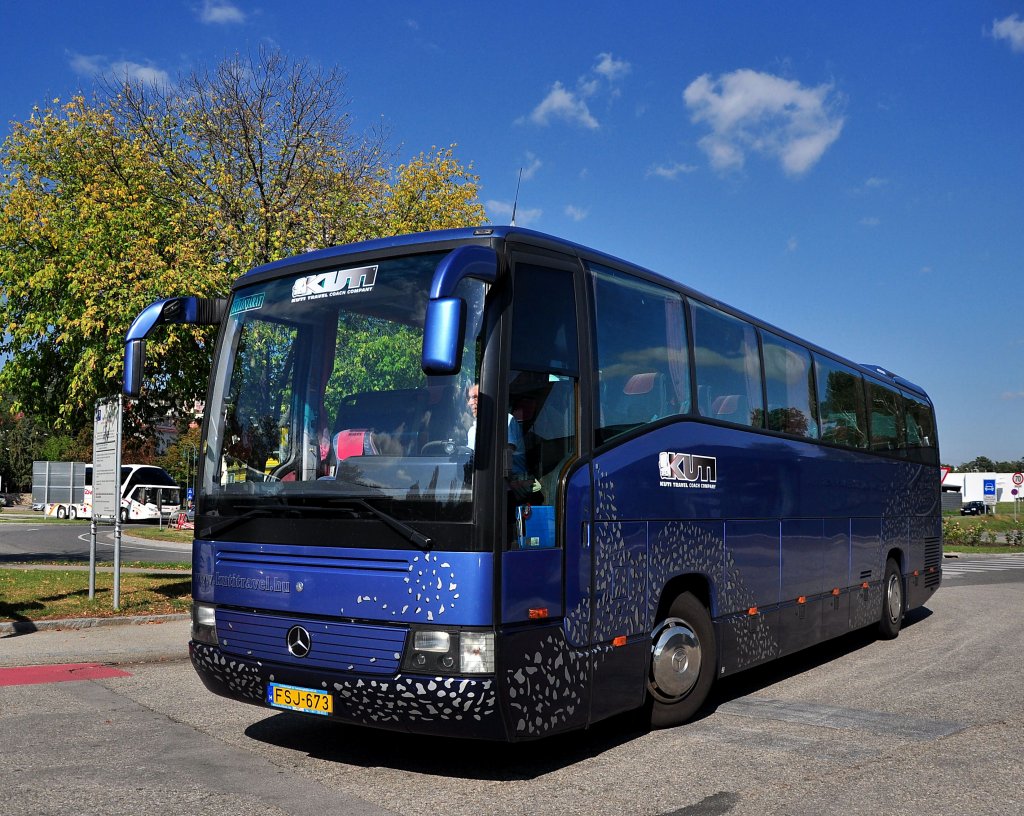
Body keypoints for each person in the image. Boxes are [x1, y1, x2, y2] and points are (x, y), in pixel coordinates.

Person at [465, 384, 527, 475]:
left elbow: (506, 461)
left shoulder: (505, 420)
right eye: (469, 398)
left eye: (475, 397)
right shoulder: (472, 431)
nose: (470, 403)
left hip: (511, 482)